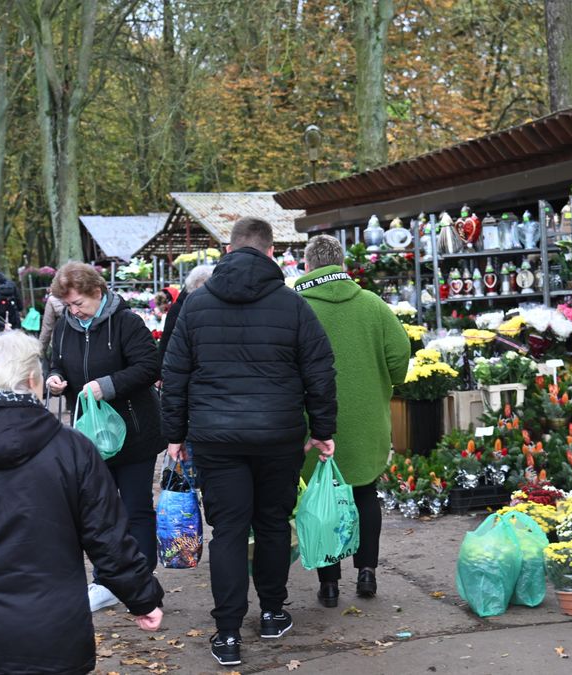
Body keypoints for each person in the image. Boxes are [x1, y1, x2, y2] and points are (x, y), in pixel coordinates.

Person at [0, 331, 164, 674]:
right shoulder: (72, 449)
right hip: (55, 631)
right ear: (32, 379)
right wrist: (142, 598)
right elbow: (107, 537)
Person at [160, 217, 337, 667]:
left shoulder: (196, 306)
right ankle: (274, 612)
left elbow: (175, 374)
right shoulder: (292, 305)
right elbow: (319, 371)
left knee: (230, 532)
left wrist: (174, 436)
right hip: (278, 436)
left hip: (216, 440)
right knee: (274, 524)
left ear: (229, 249)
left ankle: (227, 633)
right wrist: (322, 430)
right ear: (271, 252)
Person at [294, 235, 409, 607]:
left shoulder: (295, 307)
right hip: (368, 419)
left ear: (308, 265)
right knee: (363, 493)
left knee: (319, 498)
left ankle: (329, 583)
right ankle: (367, 572)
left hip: (312, 422)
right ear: (342, 263)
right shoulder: (373, 305)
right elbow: (400, 359)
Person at [45, 262, 164, 576]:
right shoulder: (64, 327)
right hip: (89, 437)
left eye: (78, 303)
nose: (74, 310)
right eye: (68, 305)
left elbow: (150, 366)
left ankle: (141, 576)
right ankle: (108, 576)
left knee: (136, 507)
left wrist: (108, 386)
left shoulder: (127, 323)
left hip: (135, 433)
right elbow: (56, 363)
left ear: (96, 292)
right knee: (99, 510)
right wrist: (55, 379)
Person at [158, 265, 212, 368]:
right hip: (183, 364)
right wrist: (160, 369)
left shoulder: (212, 304)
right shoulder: (180, 306)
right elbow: (167, 338)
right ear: (194, 284)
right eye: (204, 283)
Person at [38, 292, 65, 357]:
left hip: (61, 346)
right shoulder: (87, 294)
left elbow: (47, 328)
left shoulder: (53, 299)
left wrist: (40, 350)